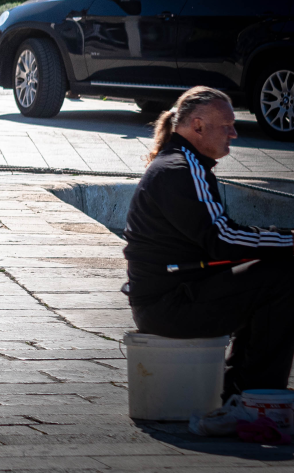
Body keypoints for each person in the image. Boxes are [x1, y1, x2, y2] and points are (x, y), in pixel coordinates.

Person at [124, 86, 294, 398]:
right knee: (285, 278)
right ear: (198, 126)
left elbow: (222, 240)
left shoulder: (182, 164)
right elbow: (223, 239)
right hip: (168, 307)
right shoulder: (181, 169)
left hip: (171, 298)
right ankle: (256, 398)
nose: (234, 134)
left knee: (274, 268)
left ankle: (243, 392)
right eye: (227, 126)